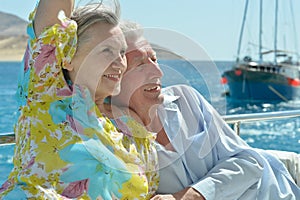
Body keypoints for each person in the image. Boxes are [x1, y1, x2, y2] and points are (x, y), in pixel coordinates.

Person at [111, 21, 300, 199]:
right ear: (115, 77)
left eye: (154, 59)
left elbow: (249, 161)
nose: (159, 72)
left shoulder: (185, 99)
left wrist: (189, 196)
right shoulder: (112, 137)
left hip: (276, 190)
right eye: (140, 64)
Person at [0, 1, 158, 199]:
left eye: (121, 52)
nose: (119, 63)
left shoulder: (130, 129)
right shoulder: (47, 92)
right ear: (68, 57)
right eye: (106, 51)